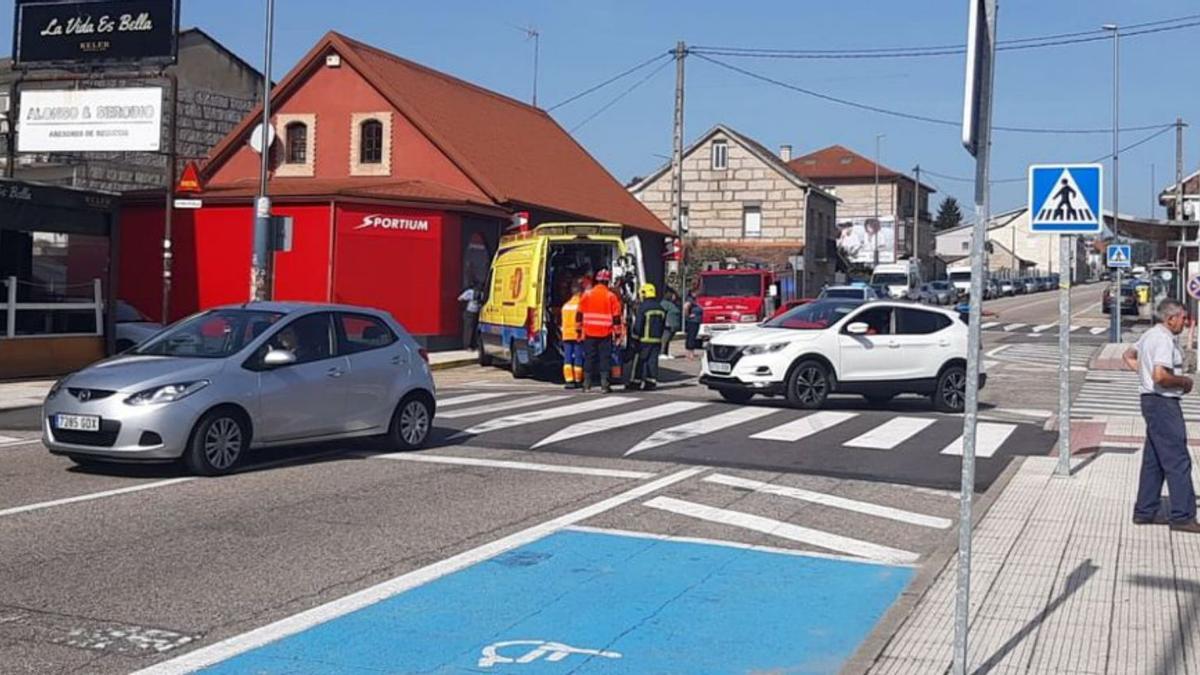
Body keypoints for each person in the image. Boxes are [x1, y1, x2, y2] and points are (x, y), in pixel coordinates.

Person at [1122, 298, 1200, 532]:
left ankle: (1144, 511)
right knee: (1178, 459)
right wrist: (1184, 382)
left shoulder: (1150, 335)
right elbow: (1160, 375)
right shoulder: (1164, 339)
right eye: (1183, 318)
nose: (1185, 323)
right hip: (1163, 403)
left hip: (1150, 400)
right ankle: (1183, 516)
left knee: (1154, 460)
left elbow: (1128, 355)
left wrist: (1142, 375)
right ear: (1170, 318)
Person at [577, 268, 622, 393]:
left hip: (589, 332)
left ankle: (586, 384)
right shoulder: (611, 296)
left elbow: (579, 314)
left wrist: (579, 332)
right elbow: (616, 318)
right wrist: (618, 335)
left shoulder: (587, 294)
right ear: (607, 282)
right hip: (605, 333)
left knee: (589, 358)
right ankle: (604, 385)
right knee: (604, 358)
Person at [626, 283, 667, 391]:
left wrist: (634, 338)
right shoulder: (660, 308)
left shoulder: (643, 307)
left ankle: (636, 382)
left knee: (639, 361)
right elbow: (663, 325)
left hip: (644, 340)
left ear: (644, 294)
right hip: (657, 340)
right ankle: (651, 382)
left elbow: (639, 324)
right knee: (653, 361)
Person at [560, 280, 584, 389]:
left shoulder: (565, 306)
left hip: (566, 335)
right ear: (580, 292)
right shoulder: (581, 305)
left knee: (567, 358)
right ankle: (578, 379)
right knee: (578, 357)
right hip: (577, 335)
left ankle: (569, 380)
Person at [457, 281, 482, 350]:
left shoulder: (481, 293)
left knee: (474, 329)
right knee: (469, 329)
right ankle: (467, 345)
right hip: (470, 312)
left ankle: (473, 345)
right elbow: (460, 298)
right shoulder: (470, 292)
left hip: (477, 313)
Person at [661, 289, 681, 359]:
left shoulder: (674, 304)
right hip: (667, 325)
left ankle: (666, 352)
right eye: (673, 295)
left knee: (669, 340)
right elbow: (662, 313)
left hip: (673, 326)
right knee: (665, 339)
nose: (674, 296)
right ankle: (662, 353)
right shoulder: (665, 303)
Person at [684, 292, 703, 359]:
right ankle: (690, 354)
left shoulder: (695, 301)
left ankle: (690, 353)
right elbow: (686, 307)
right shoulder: (690, 300)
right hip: (692, 322)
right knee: (691, 337)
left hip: (696, 322)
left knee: (692, 337)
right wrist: (688, 316)